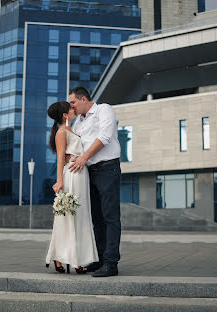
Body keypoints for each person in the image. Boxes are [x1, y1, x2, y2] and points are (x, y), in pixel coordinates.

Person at [68, 87, 121, 278]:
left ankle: (111, 262)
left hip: (107, 168)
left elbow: (104, 137)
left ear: (83, 99)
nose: (71, 106)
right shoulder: (78, 124)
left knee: (110, 216)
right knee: (96, 218)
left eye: (73, 102)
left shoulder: (103, 109)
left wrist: (83, 157)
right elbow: (74, 144)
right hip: (89, 171)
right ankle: (99, 259)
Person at [45, 101, 98, 274]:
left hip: (82, 174)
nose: (73, 108)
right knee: (70, 217)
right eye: (70, 108)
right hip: (72, 175)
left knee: (80, 217)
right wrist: (59, 181)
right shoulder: (61, 132)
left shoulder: (72, 130)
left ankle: (65, 257)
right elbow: (60, 158)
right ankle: (71, 259)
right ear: (65, 115)